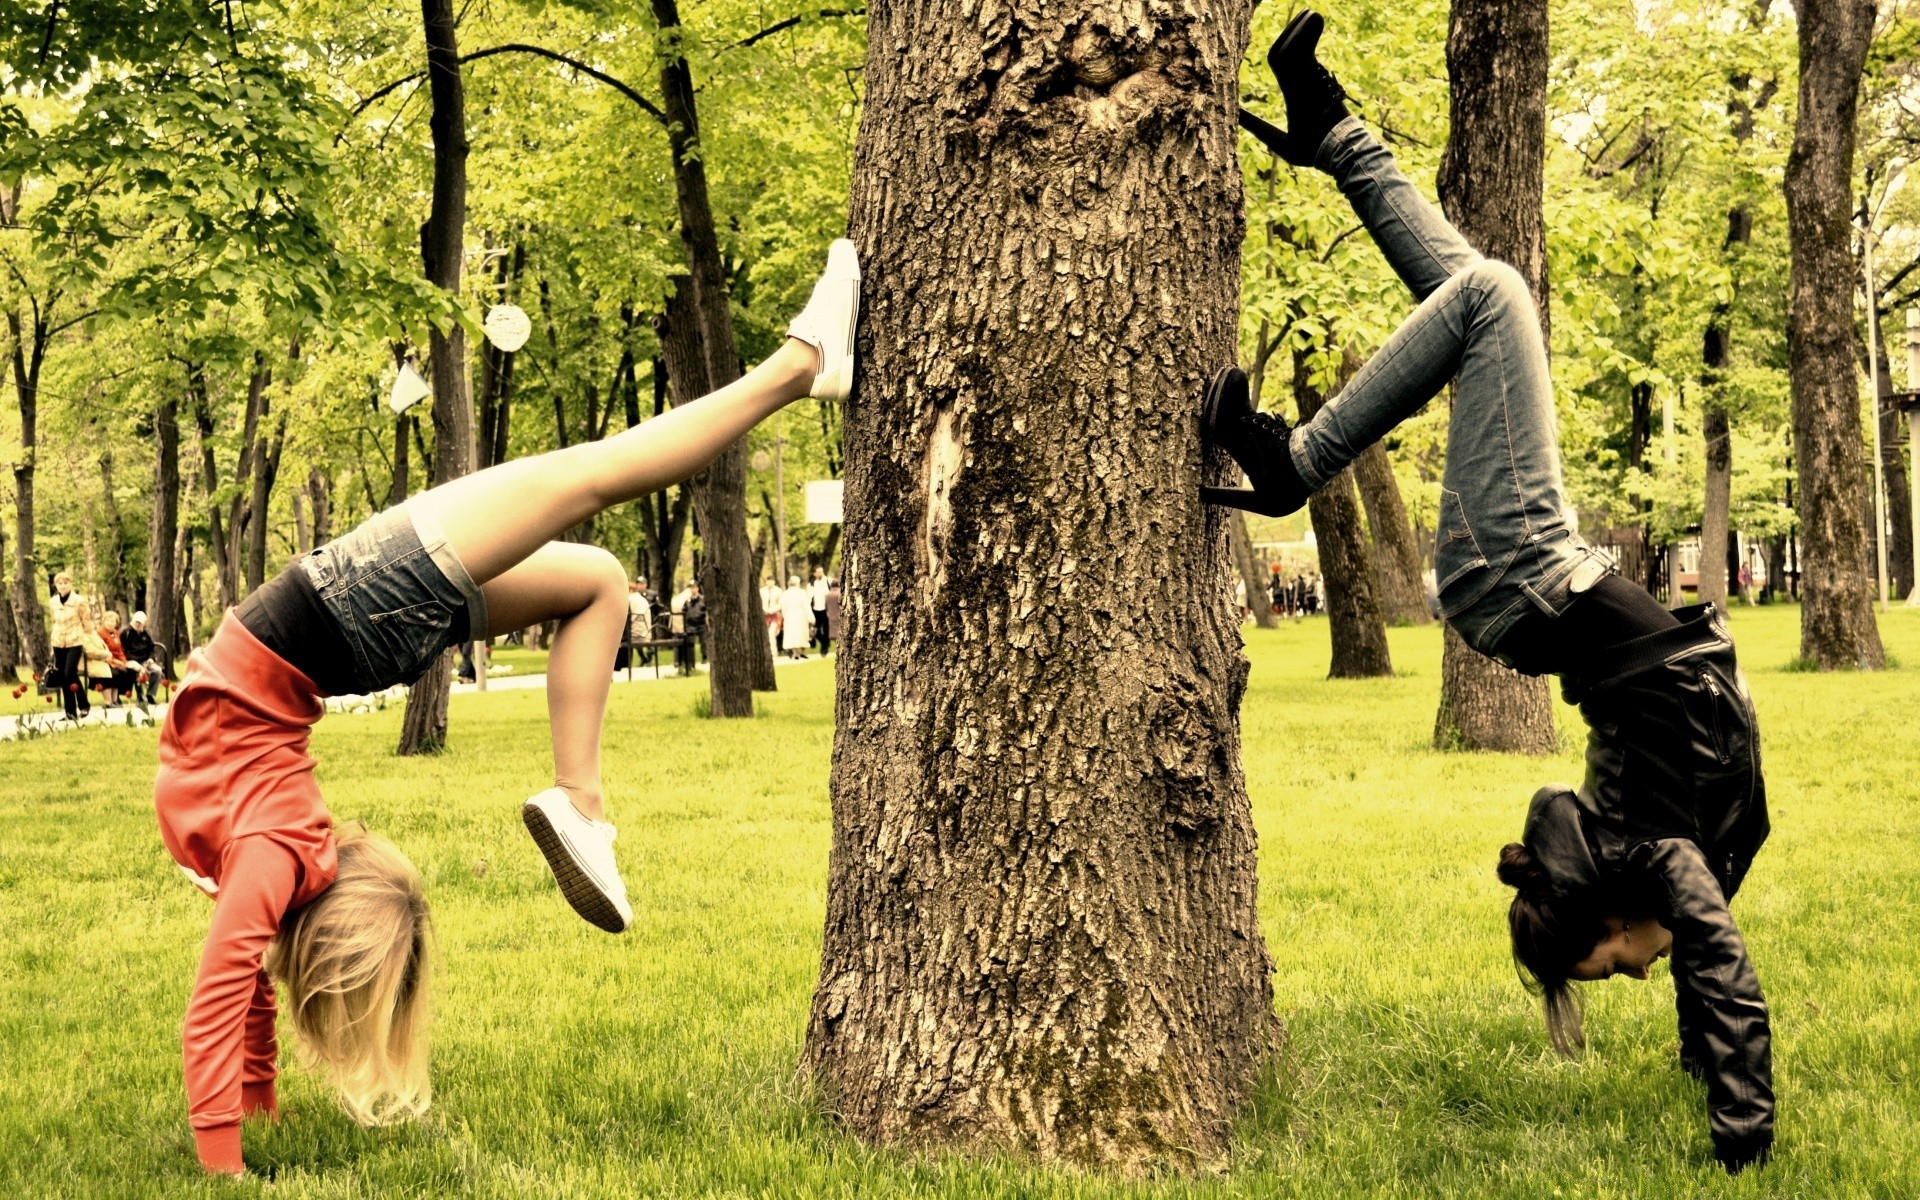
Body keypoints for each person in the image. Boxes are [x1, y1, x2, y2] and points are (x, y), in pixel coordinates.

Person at [153, 238, 860, 1175]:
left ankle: (583, 802)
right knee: (596, 474)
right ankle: (802, 367)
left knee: (601, 583)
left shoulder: (268, 867)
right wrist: (224, 1156)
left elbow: (237, 986)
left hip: (350, 636)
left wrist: (250, 1116)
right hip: (342, 612)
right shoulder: (274, 854)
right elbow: (227, 986)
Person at [1206, 14, 1770, 1173]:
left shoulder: (1652, 858)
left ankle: (1292, 466)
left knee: (1494, 296)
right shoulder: (1681, 862)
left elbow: (1714, 966)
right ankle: (1336, 138)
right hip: (1530, 570)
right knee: (1481, 292)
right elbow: (1718, 959)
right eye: (1624, 973)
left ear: (1604, 915)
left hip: (1520, 572)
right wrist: (1722, 1104)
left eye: (1607, 966)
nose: (1640, 969)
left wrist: (1734, 1129)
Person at [46, 571, 92, 721]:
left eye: (66, 583)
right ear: (56, 586)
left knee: (69, 673)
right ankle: (70, 712)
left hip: (75, 640)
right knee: (64, 676)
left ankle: (84, 704)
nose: (63, 586)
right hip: (58, 641)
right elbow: (54, 621)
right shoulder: (53, 602)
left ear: (71, 584)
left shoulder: (80, 601)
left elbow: (86, 622)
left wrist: (88, 639)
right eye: (60, 583)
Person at [121, 611, 161, 705]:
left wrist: (151, 659)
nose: (138, 624)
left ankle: (150, 695)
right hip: (130, 660)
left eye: (140, 623)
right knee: (138, 670)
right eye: (137, 622)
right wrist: (136, 662)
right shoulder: (125, 633)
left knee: (157, 670)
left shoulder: (145, 634)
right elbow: (123, 651)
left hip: (145, 660)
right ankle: (140, 696)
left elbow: (151, 648)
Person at [779, 574, 812, 659]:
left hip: (790, 615)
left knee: (791, 633)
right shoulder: (802, 593)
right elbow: (806, 606)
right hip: (801, 614)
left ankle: (795, 652)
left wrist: (785, 616)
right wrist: (811, 617)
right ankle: (803, 651)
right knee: (802, 632)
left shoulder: (785, 594)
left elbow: (783, 607)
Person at [677, 580, 706, 675]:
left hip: (701, 624)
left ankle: (705, 657)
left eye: (694, 587)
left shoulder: (703, 600)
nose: (693, 589)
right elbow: (684, 611)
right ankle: (690, 662)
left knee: (704, 642)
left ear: (698, 588)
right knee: (690, 643)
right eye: (691, 587)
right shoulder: (687, 601)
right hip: (691, 625)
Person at [808, 566, 831, 656]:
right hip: (815, 609)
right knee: (816, 631)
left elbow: (828, 594)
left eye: (821, 572)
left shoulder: (827, 581)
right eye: (818, 572)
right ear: (814, 573)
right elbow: (809, 597)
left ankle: (824, 648)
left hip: (825, 609)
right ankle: (824, 643)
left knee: (826, 629)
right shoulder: (811, 584)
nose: (820, 574)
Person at [824, 576, 842, 650]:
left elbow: (826, 605)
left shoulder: (827, 595)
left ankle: (836, 646)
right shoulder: (839, 593)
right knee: (840, 630)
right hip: (839, 614)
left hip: (831, 615)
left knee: (834, 632)